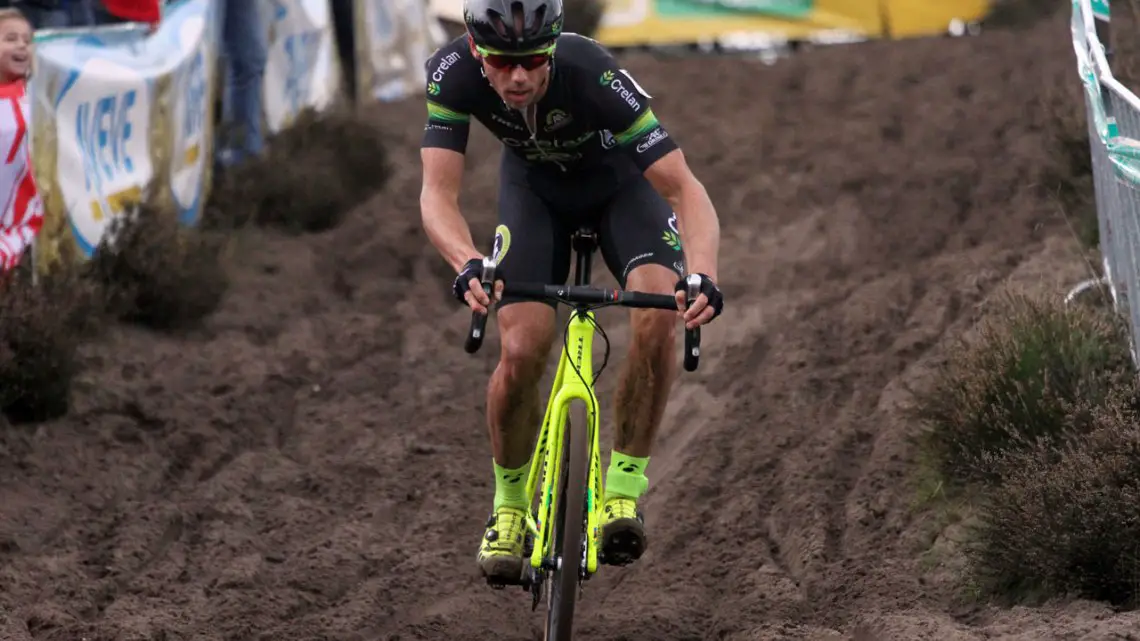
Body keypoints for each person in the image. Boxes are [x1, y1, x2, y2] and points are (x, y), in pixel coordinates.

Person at [419, 0, 725, 585]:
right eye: (503, 62)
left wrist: (701, 274)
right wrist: (467, 262)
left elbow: (685, 190)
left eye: (534, 60)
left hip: (620, 192)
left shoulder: (592, 73)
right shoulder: (450, 73)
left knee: (659, 314)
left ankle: (623, 493)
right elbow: (437, 194)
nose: (518, 77)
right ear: (476, 49)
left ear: (554, 47)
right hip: (533, 198)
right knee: (521, 349)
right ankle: (509, 510)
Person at [0, 8, 42, 276]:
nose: (21, 46)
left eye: (27, 41)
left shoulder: (33, 101)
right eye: (11, 38)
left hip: (15, 224)